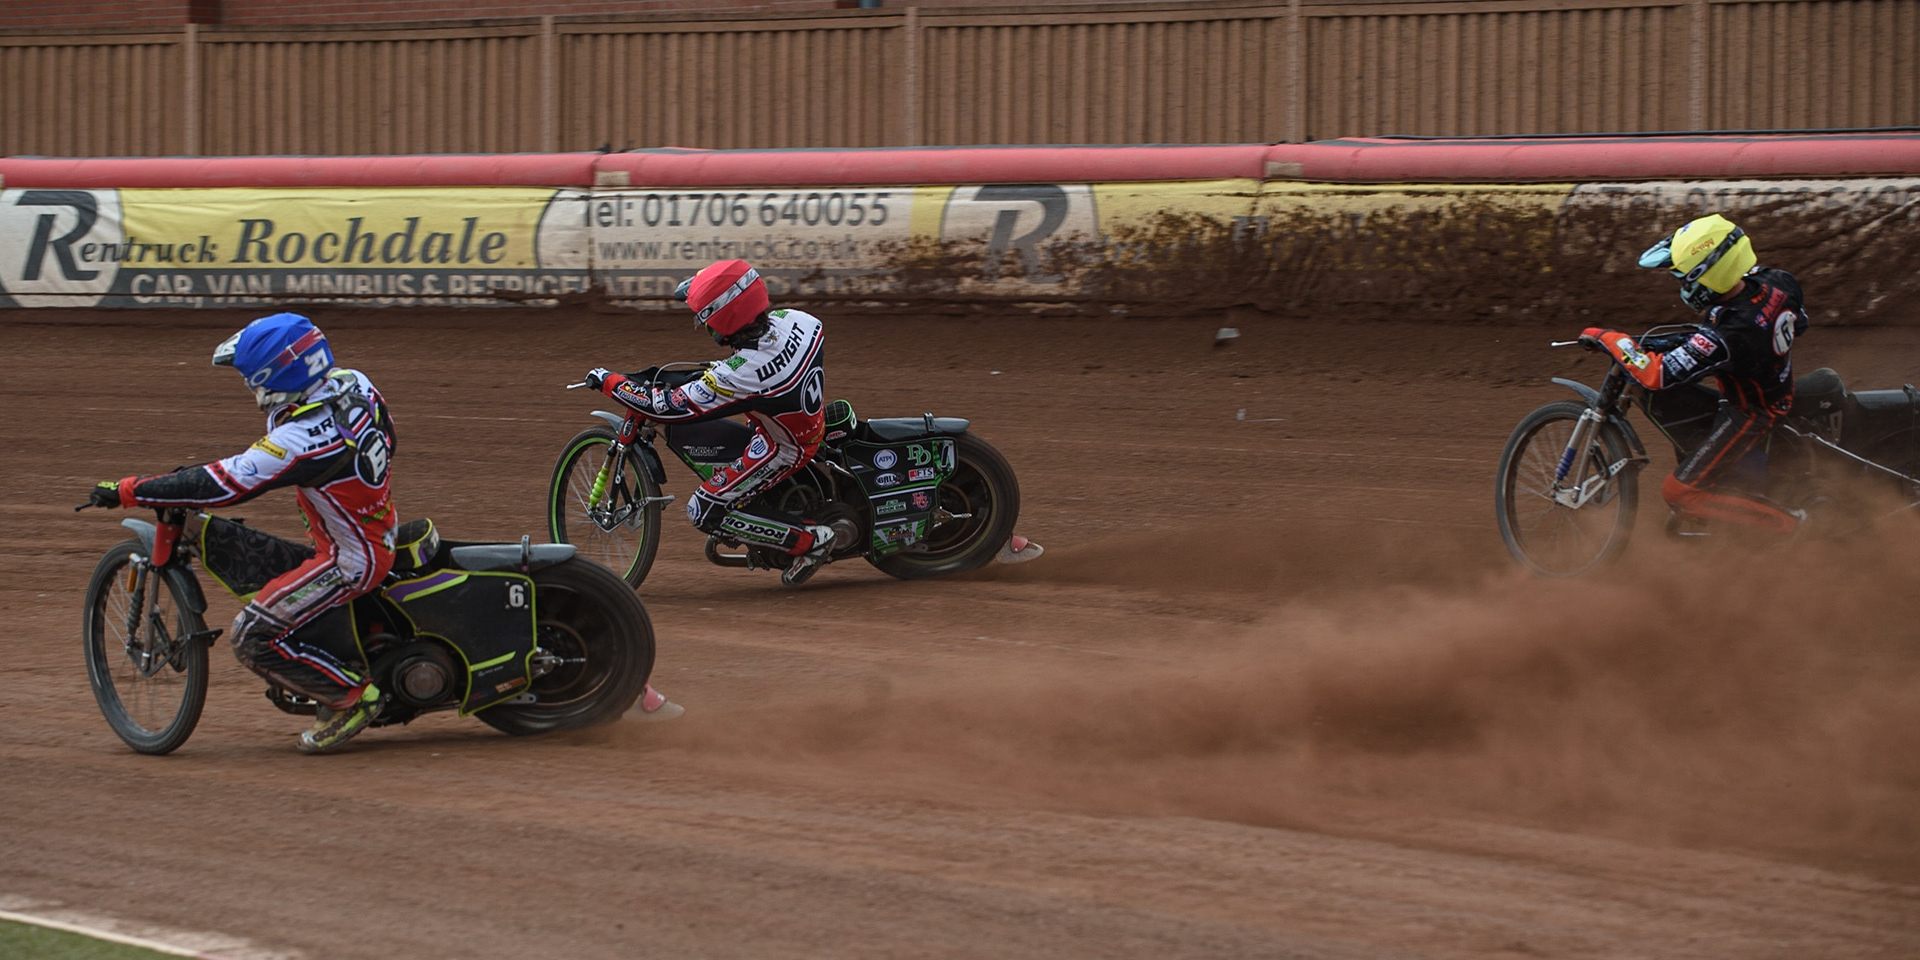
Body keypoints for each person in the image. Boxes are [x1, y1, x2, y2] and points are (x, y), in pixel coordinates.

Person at [87, 313, 400, 753]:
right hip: (370, 526)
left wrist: (129, 490)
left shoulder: (300, 439)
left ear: (275, 376)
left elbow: (225, 484)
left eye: (251, 377)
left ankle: (352, 698)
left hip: (348, 560)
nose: (249, 386)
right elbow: (390, 436)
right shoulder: (354, 383)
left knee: (250, 635)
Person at [583, 259, 838, 585]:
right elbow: (754, 362)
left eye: (706, 320)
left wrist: (609, 381)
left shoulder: (740, 374)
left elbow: (666, 408)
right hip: (799, 419)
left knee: (702, 510)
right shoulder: (798, 320)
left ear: (723, 320)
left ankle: (810, 542)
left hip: (785, 448)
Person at [1579, 213, 1811, 535]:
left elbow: (1657, 375)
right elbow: (1800, 322)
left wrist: (1609, 339)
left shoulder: (1730, 332)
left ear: (1707, 275)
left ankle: (1791, 525)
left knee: (1679, 493)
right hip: (1773, 383)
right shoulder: (1777, 281)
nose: (1683, 285)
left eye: (1684, 278)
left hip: (1751, 412)